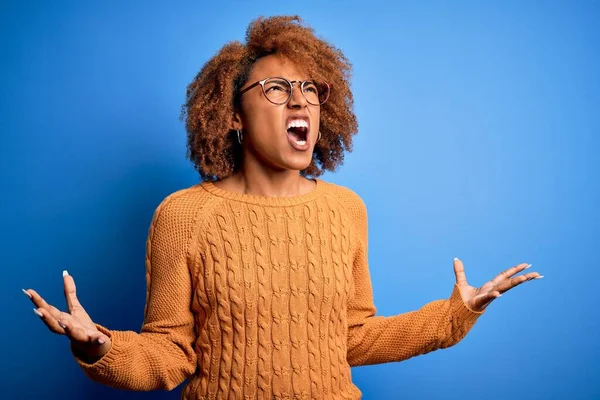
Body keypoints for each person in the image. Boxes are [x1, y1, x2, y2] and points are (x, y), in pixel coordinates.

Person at [22, 15, 542, 399]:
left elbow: (353, 339)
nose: (299, 101)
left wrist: (455, 314)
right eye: (275, 88)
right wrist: (98, 347)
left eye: (309, 89)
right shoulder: (183, 216)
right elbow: (170, 354)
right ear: (232, 116)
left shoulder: (346, 210)